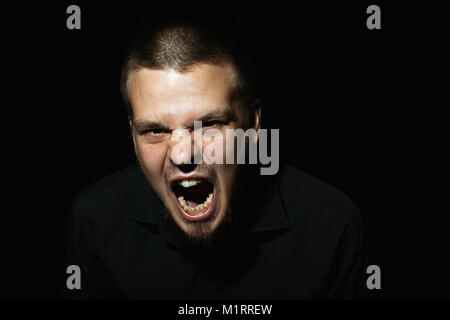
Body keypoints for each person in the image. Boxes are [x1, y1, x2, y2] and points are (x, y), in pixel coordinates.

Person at [65, 20, 372, 299]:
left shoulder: (332, 228)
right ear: (132, 135)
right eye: (156, 130)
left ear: (252, 125)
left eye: (209, 125)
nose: (183, 154)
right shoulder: (95, 221)